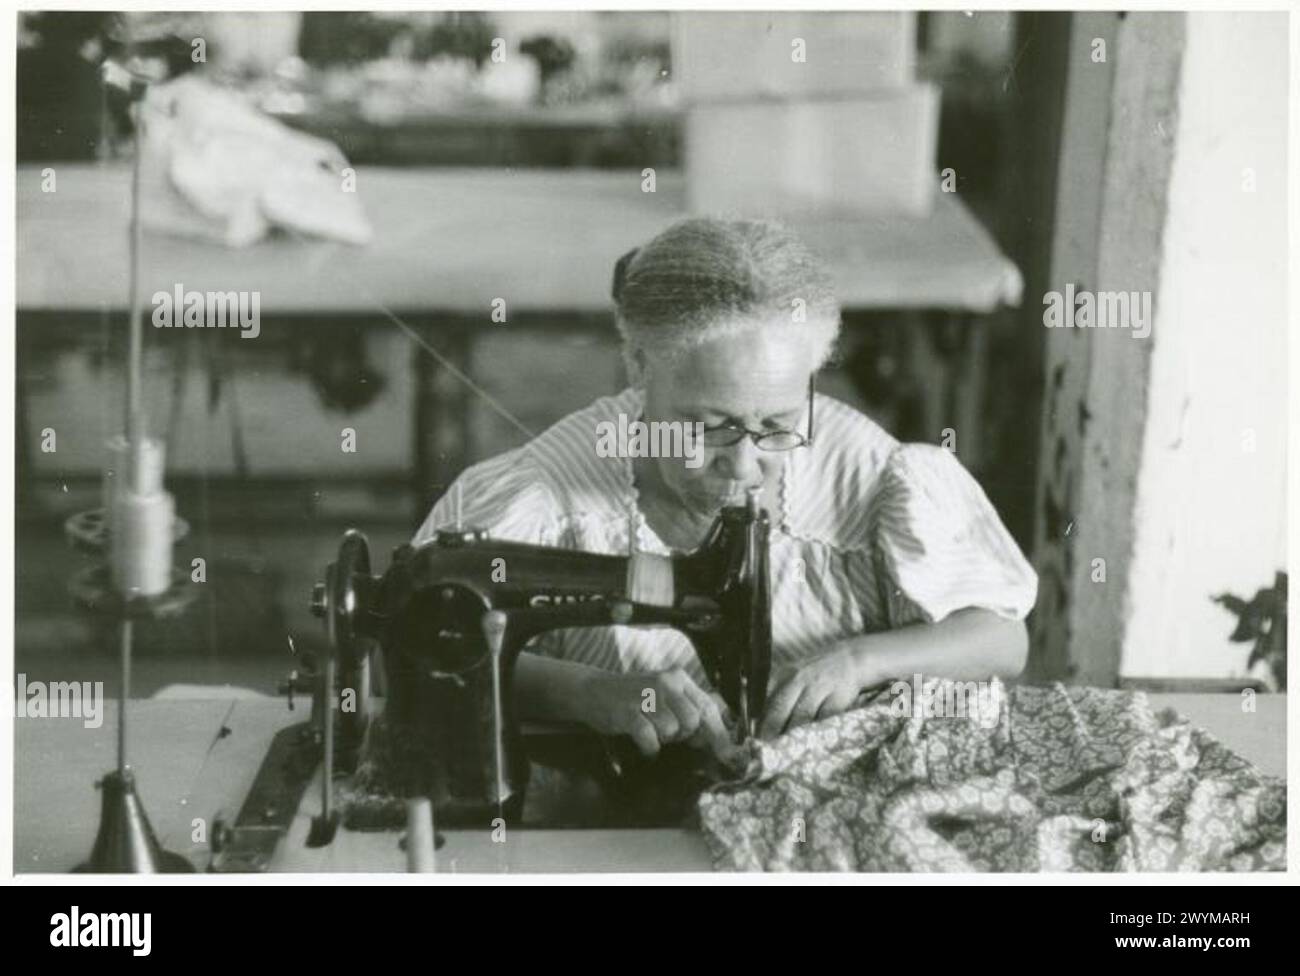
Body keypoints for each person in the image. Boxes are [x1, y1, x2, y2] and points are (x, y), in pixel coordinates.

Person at [415, 217, 1036, 760]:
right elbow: (428, 643)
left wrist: (862, 660)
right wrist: (587, 693)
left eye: (778, 425)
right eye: (708, 428)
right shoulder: (550, 489)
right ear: (637, 365)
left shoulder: (872, 475)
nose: (742, 466)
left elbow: (1002, 640)